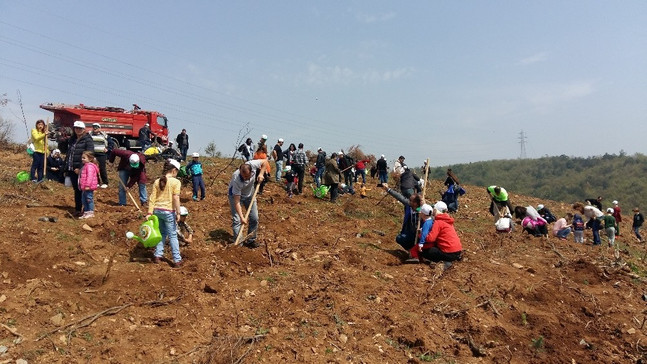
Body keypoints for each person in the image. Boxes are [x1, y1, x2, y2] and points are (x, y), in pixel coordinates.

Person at [148, 159, 183, 267]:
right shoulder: (176, 182)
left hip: (157, 211)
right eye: (177, 171)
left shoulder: (157, 181)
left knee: (162, 233)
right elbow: (176, 198)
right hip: (168, 211)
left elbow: (152, 197)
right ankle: (177, 259)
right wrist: (178, 212)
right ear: (173, 170)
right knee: (172, 235)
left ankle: (158, 254)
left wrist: (149, 212)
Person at [228, 159, 268, 248]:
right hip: (235, 196)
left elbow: (265, 162)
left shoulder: (252, 165)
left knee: (254, 218)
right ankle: (239, 244)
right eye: (243, 176)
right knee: (237, 220)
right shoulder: (236, 178)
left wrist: (261, 174)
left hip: (250, 195)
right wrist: (242, 217)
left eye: (247, 176)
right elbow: (237, 201)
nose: (245, 178)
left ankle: (251, 240)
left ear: (251, 171)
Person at [62, 121, 95, 216]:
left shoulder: (88, 139)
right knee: (77, 189)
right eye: (76, 128)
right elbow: (68, 153)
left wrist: (81, 168)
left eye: (80, 128)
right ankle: (78, 208)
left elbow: (90, 154)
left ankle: (87, 210)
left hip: (81, 169)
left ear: (84, 129)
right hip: (72, 167)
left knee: (83, 190)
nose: (78, 130)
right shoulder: (72, 139)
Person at [381, 183, 422, 256]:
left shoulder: (422, 211)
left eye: (411, 200)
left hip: (420, 236)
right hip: (410, 234)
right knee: (399, 238)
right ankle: (411, 251)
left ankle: (421, 253)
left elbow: (432, 209)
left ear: (415, 203)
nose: (409, 201)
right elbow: (399, 197)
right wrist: (388, 189)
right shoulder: (409, 206)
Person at [78, 151, 99, 219]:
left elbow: (89, 177)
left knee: (89, 199)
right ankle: (86, 212)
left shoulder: (89, 167)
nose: (82, 159)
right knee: (84, 199)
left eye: (84, 158)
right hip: (84, 187)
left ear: (90, 159)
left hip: (88, 187)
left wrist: (87, 185)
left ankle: (90, 212)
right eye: (82, 158)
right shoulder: (85, 166)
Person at [90, 123, 109, 188]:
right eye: (93, 127)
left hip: (101, 154)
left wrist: (108, 149)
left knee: (102, 168)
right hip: (93, 154)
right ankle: (97, 182)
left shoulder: (104, 135)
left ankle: (105, 182)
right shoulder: (89, 134)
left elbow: (111, 143)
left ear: (99, 128)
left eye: (96, 127)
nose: (95, 128)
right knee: (94, 168)